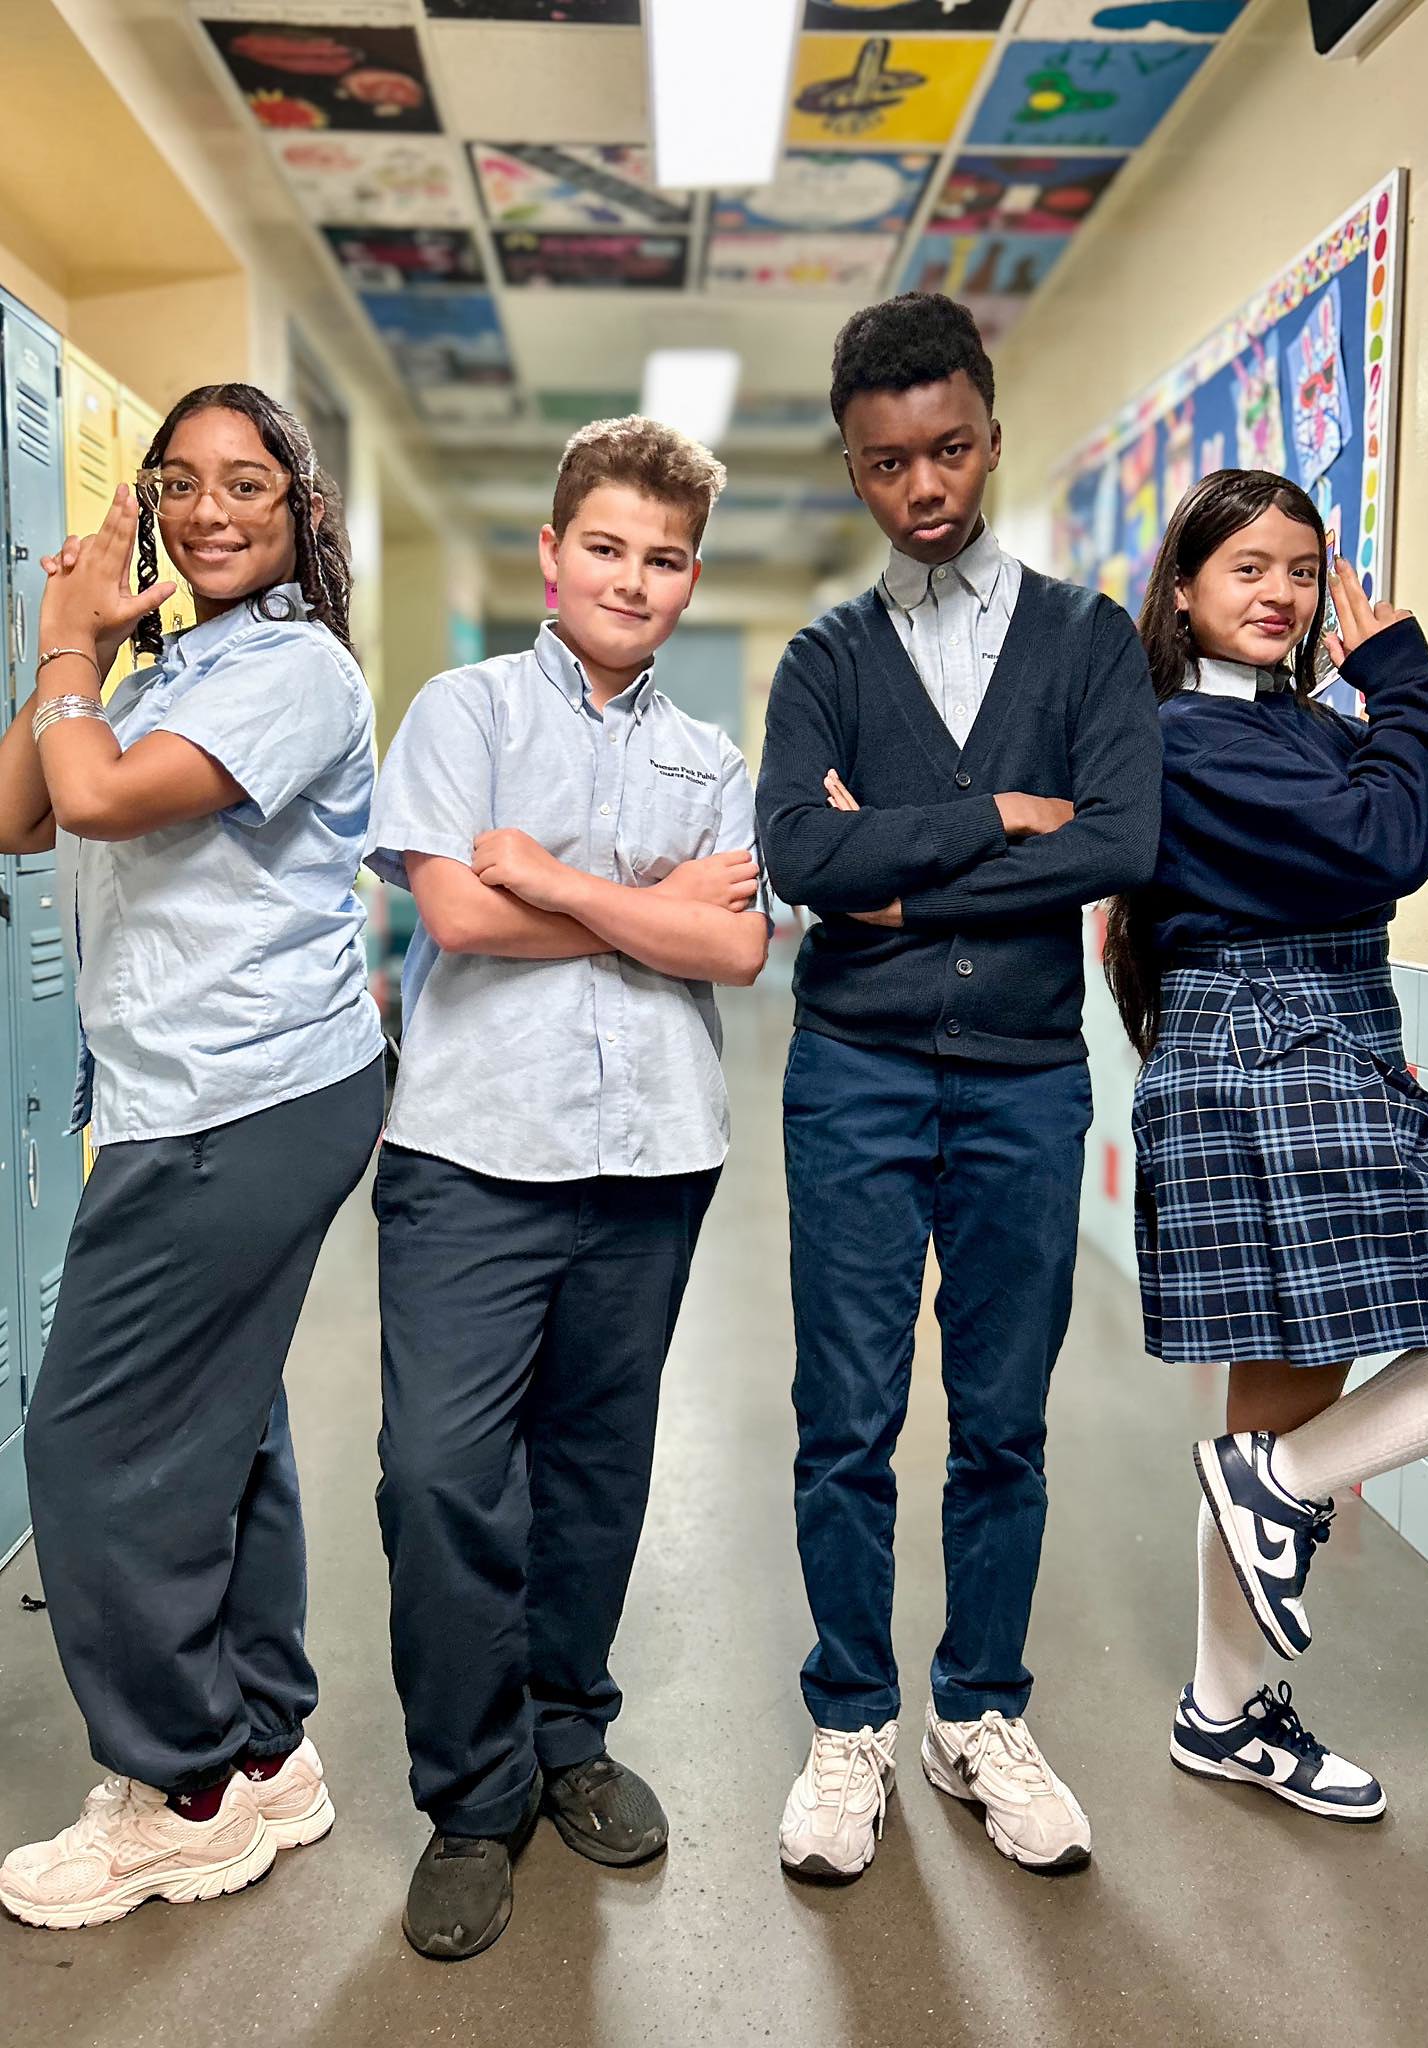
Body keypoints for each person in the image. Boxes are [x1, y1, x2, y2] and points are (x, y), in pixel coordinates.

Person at [755, 293, 1162, 1883]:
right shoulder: (824, 660)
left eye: (949, 449)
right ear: (853, 473)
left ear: (991, 434)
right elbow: (799, 852)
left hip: (1023, 1086)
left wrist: (899, 875)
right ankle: (850, 1720)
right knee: (844, 1421)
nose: (923, 486)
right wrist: (1000, 815)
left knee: (1003, 1421)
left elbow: (1124, 844)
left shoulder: (1087, 640)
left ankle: (978, 1711)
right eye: (886, 463)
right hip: (850, 1077)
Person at [366, 416, 770, 1962]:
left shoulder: (710, 758)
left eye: (663, 557)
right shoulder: (461, 711)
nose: (632, 577)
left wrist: (561, 879)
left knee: (596, 1472)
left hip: (655, 1160)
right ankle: (472, 1802)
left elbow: (733, 947)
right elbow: (459, 917)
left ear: (687, 579)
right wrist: (641, 908)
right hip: (472, 1152)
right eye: (604, 546)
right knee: (441, 1475)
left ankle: (565, 1739)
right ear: (551, 555)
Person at [0, 385, 385, 1929]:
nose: (211, 509)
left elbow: (87, 790)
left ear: (301, 509)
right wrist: (78, 635)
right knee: (229, 1427)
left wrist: (72, 656)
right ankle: (267, 1748)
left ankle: (187, 1794)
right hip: (190, 1095)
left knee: (87, 1450)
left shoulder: (293, 669)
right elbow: (23, 813)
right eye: (180, 482)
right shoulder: (178, 665)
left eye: (248, 484)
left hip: (242, 1101)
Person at [1106, 467, 1428, 1821]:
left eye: (1302, 570)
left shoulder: (1291, 725)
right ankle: (1278, 1484)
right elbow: (1386, 839)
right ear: (1183, 589)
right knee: (1288, 1431)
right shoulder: (1184, 735)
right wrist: (1396, 683)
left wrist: (1411, 675)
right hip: (1269, 1049)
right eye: (1250, 569)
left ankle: (1220, 1713)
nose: (1283, 594)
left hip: (1313, 1042)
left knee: (1282, 1398)